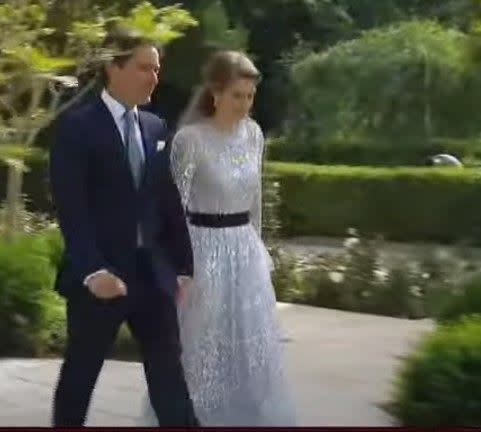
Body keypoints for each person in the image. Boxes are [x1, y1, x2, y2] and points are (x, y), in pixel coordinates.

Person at [49, 28, 199, 427]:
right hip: (99, 277)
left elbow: (168, 203)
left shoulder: (155, 127)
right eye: (143, 67)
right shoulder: (77, 128)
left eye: (156, 68)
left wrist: (183, 268)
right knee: (80, 376)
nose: (153, 77)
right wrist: (93, 271)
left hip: (152, 276)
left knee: (169, 376)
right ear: (113, 68)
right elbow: (72, 209)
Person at [139, 50, 296, 426]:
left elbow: (255, 198)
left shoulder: (254, 134)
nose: (244, 104)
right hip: (202, 247)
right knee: (200, 344)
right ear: (215, 93)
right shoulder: (191, 140)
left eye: (249, 96)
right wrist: (178, 266)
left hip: (243, 249)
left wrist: (258, 249)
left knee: (250, 344)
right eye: (236, 95)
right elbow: (172, 207)